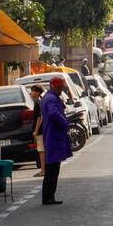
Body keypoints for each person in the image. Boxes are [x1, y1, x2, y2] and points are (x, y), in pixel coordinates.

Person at [40, 76, 72, 205]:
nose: (60, 90)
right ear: (54, 86)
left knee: (51, 169)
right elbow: (53, 114)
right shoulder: (51, 99)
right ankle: (48, 197)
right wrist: (64, 122)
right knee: (52, 170)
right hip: (53, 136)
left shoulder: (48, 97)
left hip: (51, 136)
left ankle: (48, 196)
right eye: (59, 88)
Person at [29, 84, 45, 176]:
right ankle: (43, 169)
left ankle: (43, 170)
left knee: (41, 150)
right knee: (41, 150)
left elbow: (40, 117)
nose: (31, 93)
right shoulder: (37, 102)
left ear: (37, 93)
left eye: (32, 91)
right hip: (39, 130)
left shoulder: (38, 103)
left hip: (40, 130)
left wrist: (36, 130)